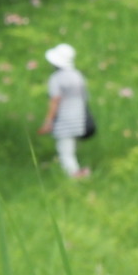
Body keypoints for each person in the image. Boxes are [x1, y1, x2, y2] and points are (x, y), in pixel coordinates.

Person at [38, 43, 90, 178]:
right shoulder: (77, 75)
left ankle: (74, 178)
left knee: (65, 153)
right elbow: (84, 98)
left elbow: (55, 100)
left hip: (64, 120)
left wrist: (48, 121)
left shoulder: (56, 78)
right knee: (71, 150)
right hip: (79, 119)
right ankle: (79, 175)